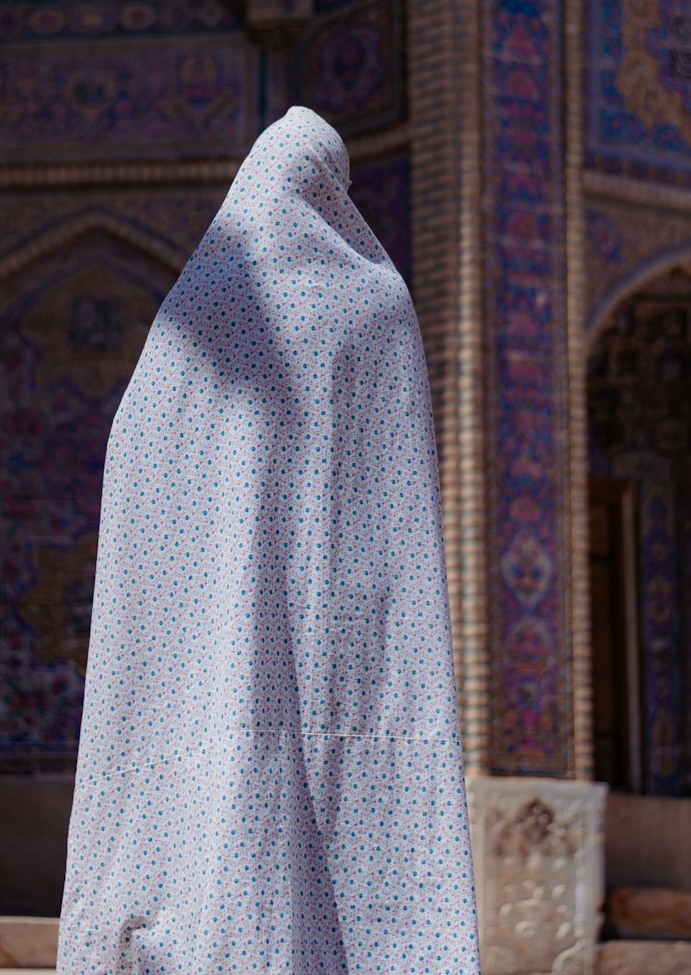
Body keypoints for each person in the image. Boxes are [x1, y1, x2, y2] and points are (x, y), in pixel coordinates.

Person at [58, 106, 479, 974]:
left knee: (214, 805)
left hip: (201, 638)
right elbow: (388, 497)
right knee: (339, 797)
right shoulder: (374, 300)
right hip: (341, 619)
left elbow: (134, 457)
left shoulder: (196, 312)